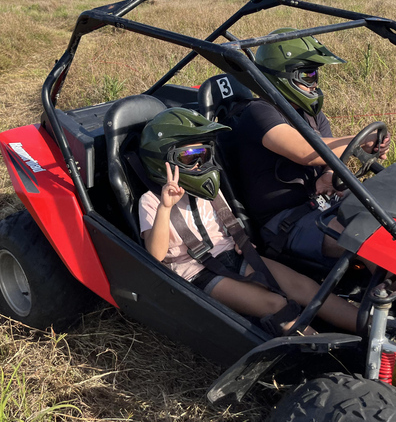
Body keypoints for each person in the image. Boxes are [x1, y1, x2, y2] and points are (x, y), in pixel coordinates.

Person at [137, 107, 358, 336]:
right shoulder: (151, 201)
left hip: (234, 256)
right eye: (190, 157)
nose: (199, 164)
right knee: (275, 304)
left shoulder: (207, 188)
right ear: (162, 161)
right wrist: (166, 207)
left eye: (204, 155)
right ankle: (331, 356)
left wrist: (241, 240)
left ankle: (375, 329)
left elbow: (226, 222)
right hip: (197, 272)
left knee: (305, 287)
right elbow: (156, 255)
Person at [219, 28, 390, 264]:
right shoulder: (258, 112)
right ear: (283, 77)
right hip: (286, 221)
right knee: (372, 240)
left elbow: (328, 155)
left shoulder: (310, 114)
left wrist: (329, 174)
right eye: (307, 76)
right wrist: (362, 140)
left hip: (323, 202)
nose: (314, 84)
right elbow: (306, 152)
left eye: (315, 75)